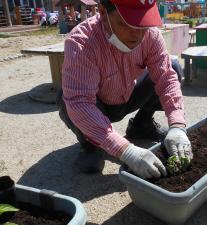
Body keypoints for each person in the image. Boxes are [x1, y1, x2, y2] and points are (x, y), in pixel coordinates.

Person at [57, 0, 193, 178]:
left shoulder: (150, 35)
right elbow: (80, 102)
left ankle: (141, 125)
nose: (137, 34)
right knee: (70, 101)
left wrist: (177, 126)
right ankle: (90, 144)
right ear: (104, 11)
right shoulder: (82, 43)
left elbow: (165, 78)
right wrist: (125, 150)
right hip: (97, 105)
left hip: (127, 95)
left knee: (172, 67)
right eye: (126, 24)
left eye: (142, 24)